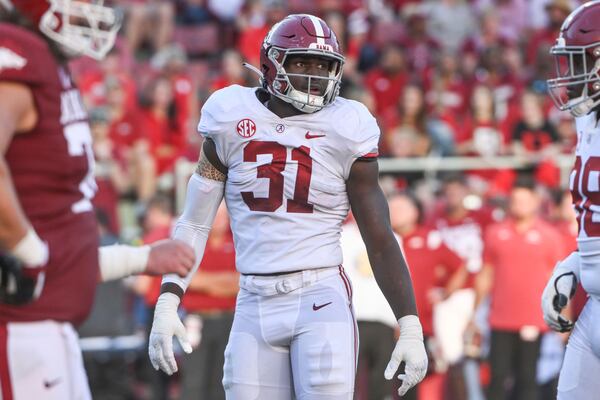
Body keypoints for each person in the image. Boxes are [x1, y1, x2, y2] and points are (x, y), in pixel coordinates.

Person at [148, 14, 428, 400]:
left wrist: (409, 324)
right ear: (270, 62)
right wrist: (168, 299)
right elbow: (195, 224)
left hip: (320, 297)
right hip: (253, 299)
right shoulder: (229, 115)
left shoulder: (348, 125)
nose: (315, 74)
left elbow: (378, 236)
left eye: (323, 65)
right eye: (302, 62)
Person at [0, 1, 195, 399]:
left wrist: (141, 259)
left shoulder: (47, 62)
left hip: (49, 324)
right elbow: (37, 255)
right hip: (21, 327)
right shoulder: (18, 53)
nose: (92, 8)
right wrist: (30, 253)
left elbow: (61, 243)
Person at [542, 1, 600, 399]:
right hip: (594, 309)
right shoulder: (587, 118)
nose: (573, 74)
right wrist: (575, 265)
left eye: (584, 61)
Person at [476, 177, 564, 400]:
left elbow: (557, 281)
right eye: (516, 200)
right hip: (500, 319)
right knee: (496, 378)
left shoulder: (549, 236)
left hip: (533, 320)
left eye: (524, 200)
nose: (520, 205)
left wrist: (563, 318)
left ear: (535, 201)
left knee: (528, 380)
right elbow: (486, 274)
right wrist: (474, 313)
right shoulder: (495, 233)